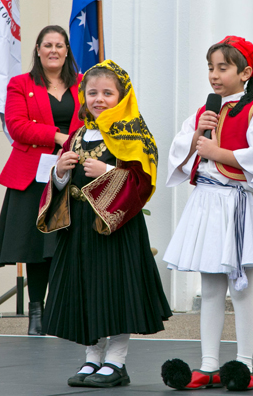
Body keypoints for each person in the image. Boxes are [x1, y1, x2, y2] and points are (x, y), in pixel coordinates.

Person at [37, 60, 172, 388]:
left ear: (122, 97)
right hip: (80, 226)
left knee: (116, 291)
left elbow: (144, 182)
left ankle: (116, 361)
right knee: (86, 291)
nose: (98, 98)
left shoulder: (133, 132)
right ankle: (92, 358)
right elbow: (57, 186)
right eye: (92, 92)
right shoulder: (77, 135)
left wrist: (111, 174)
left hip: (116, 227)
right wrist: (59, 173)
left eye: (107, 93)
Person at [161, 36, 253, 391]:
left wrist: (218, 150)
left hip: (237, 203)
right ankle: (209, 363)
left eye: (223, 68)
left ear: (245, 72)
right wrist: (198, 135)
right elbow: (179, 154)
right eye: (211, 68)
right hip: (207, 203)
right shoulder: (202, 113)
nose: (214, 75)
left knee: (241, 288)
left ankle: (244, 362)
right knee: (210, 286)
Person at [0, 25, 83, 335]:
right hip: (33, 176)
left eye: (59, 45)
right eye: (47, 45)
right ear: (38, 51)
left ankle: (62, 309)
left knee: (67, 244)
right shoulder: (20, 84)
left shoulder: (85, 84)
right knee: (37, 247)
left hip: (75, 172)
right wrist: (59, 136)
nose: (53, 50)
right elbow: (17, 126)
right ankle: (37, 314)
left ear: (67, 50)